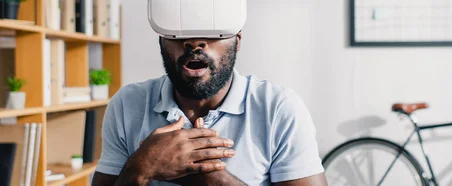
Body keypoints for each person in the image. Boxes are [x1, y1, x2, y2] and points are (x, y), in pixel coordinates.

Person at [91, 13, 327, 186]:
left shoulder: (278, 108)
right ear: (161, 43)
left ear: (238, 41)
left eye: (213, 30)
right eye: (179, 31)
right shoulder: (127, 103)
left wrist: (214, 179)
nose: (195, 42)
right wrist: (141, 166)